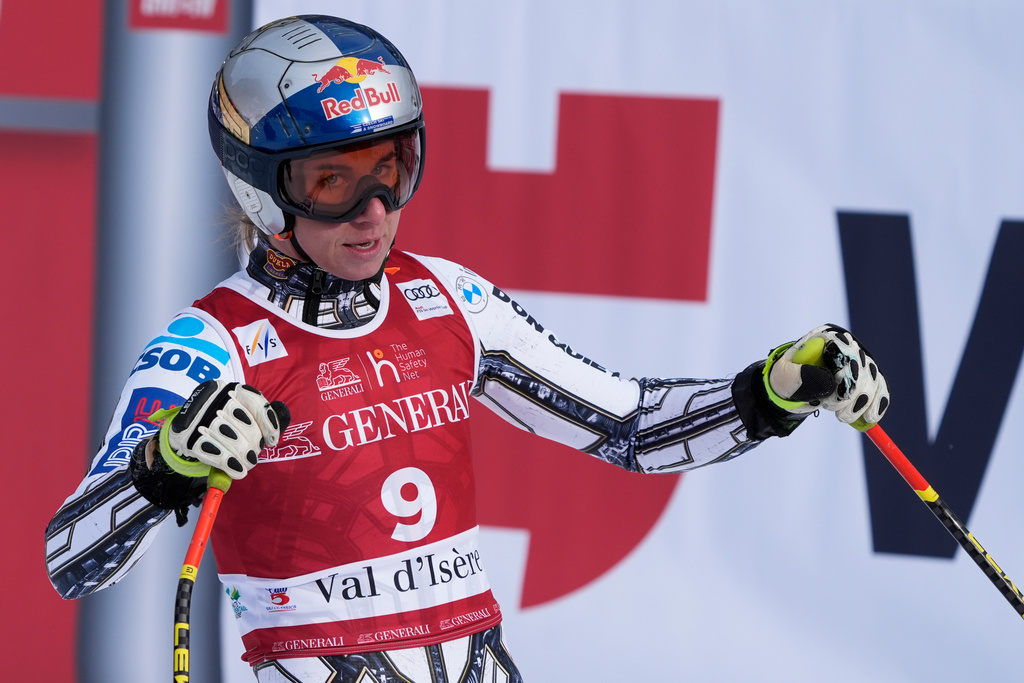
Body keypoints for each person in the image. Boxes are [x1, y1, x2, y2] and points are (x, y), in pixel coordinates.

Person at [44, 14, 889, 683]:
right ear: (262, 187)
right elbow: (70, 560)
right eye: (333, 181)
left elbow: (631, 427)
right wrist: (164, 463)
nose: (374, 211)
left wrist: (774, 389)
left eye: (392, 166)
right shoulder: (208, 343)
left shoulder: (448, 296)